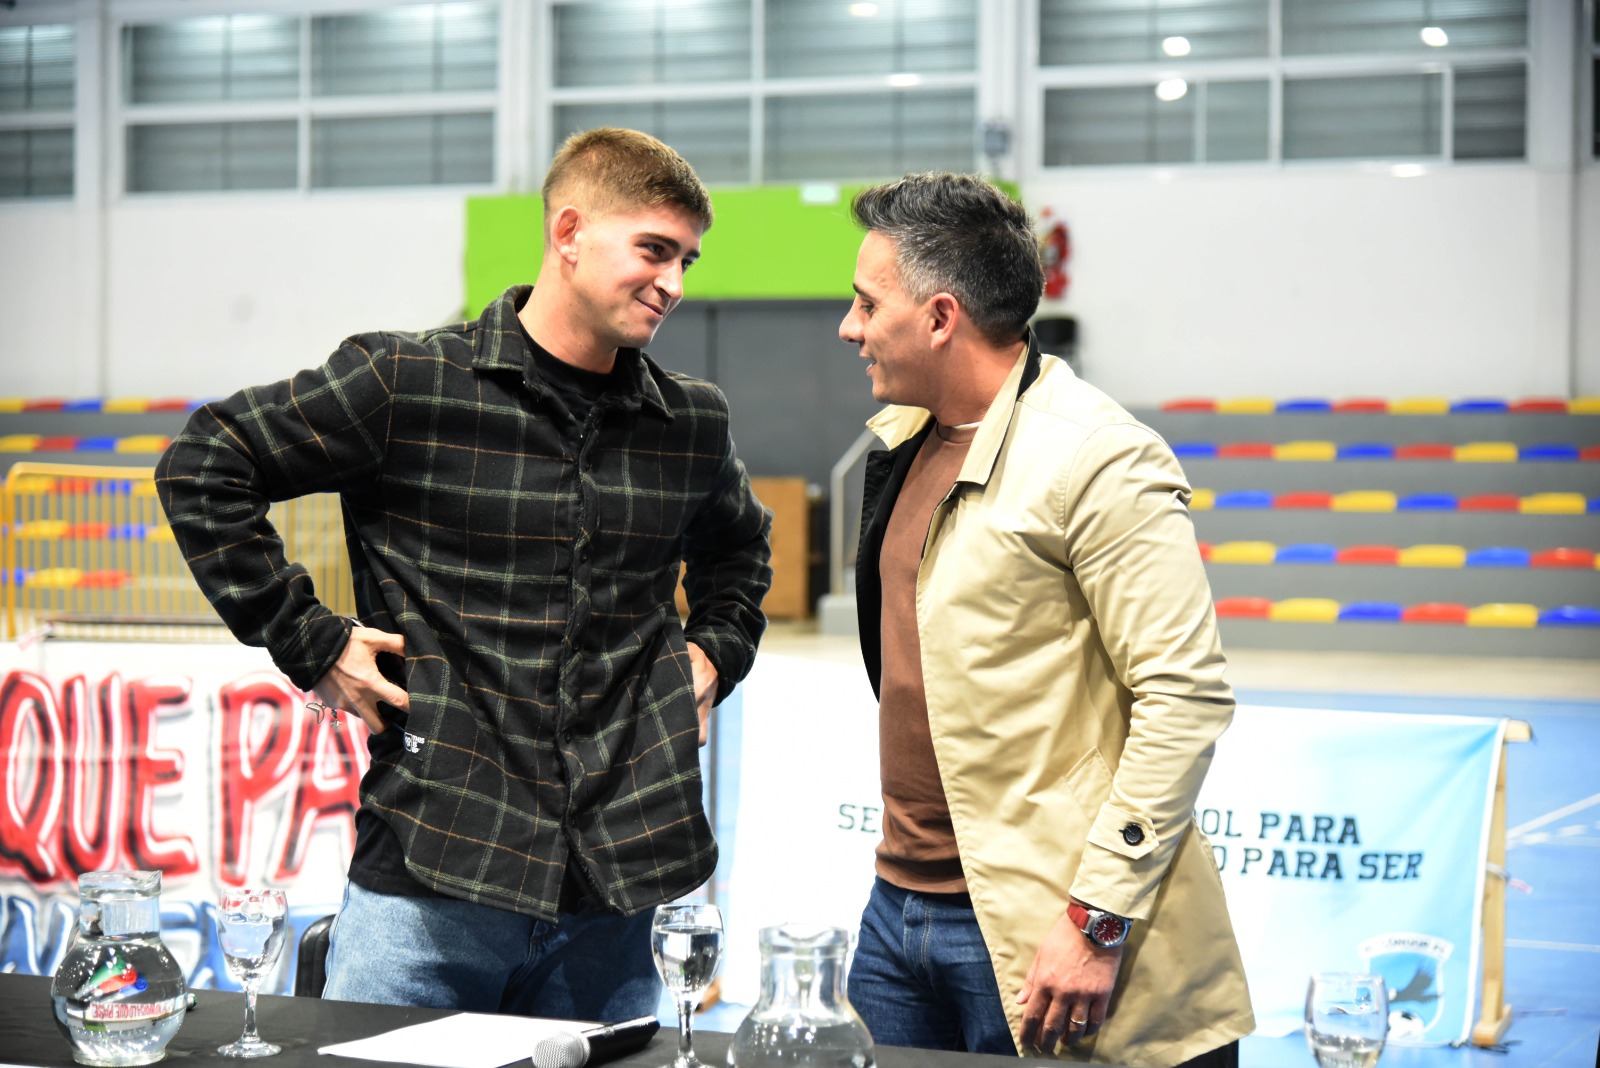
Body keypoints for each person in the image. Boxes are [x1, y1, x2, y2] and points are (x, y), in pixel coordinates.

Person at [156, 128, 772, 1020]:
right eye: (653, 250)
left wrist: (715, 653)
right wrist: (310, 639)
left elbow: (741, 552)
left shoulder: (689, 424)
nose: (674, 283)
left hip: (617, 899)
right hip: (431, 883)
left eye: (687, 259)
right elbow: (207, 462)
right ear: (569, 232)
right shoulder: (408, 384)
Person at [838, 172, 1253, 1067]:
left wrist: (1098, 917)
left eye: (867, 303)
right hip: (896, 911)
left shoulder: (1097, 458)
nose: (849, 325)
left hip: (1046, 922)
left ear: (940, 317)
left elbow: (1183, 696)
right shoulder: (906, 440)